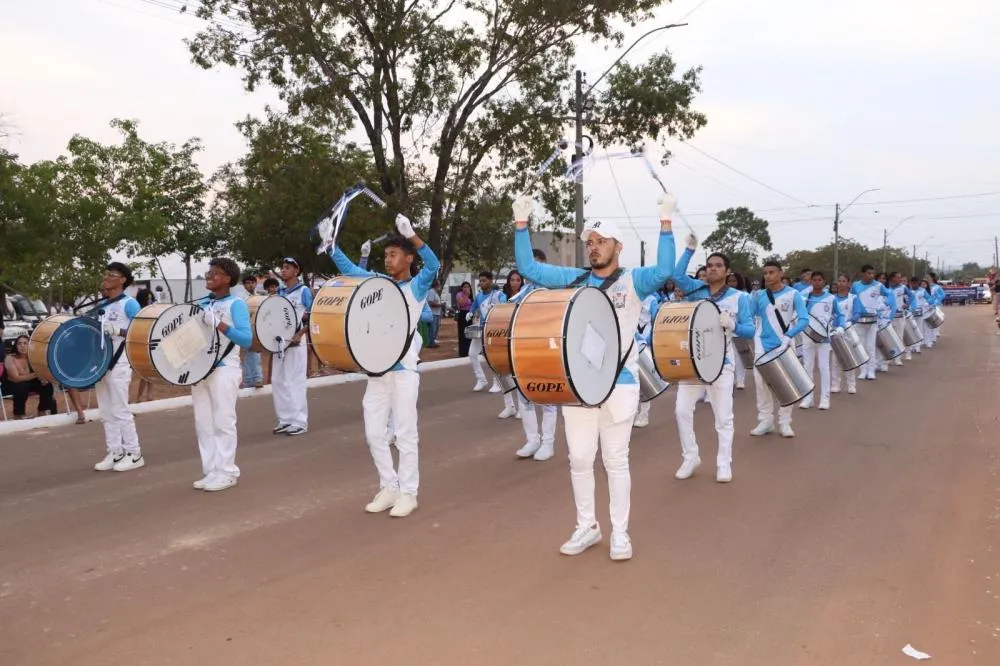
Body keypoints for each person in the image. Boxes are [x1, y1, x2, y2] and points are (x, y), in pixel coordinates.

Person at [513, 193, 676, 562]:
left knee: (615, 460)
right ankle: (587, 525)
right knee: (580, 459)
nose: (593, 248)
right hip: (580, 386)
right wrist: (521, 226)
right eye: (590, 242)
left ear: (618, 246)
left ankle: (621, 532)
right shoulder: (574, 280)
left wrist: (665, 222)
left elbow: (665, 271)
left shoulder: (635, 281)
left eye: (601, 242)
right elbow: (530, 269)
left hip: (620, 383)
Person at [329, 214, 439, 518]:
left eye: (393, 255)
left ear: (408, 258)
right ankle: (388, 486)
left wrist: (413, 235)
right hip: (377, 372)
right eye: (386, 255)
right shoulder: (380, 285)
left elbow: (434, 266)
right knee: (374, 433)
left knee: (405, 434)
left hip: (404, 371)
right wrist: (331, 245)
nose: (388, 260)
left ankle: (409, 492)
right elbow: (351, 271)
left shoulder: (416, 288)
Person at [670, 234, 755, 482]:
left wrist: (733, 325)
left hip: (722, 364)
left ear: (728, 272)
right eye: (709, 265)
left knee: (723, 417)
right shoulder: (696, 292)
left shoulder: (740, 298)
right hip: (693, 363)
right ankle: (690, 456)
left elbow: (750, 330)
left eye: (718, 265)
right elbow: (676, 275)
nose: (712, 269)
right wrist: (689, 250)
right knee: (681, 411)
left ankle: (723, 463)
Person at [191, 257, 253, 492]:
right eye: (209, 273)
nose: (209, 276)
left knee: (223, 421)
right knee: (203, 423)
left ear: (228, 278)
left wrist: (220, 324)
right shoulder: (203, 303)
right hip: (201, 370)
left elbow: (247, 339)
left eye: (215, 273)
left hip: (225, 368)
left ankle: (227, 471)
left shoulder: (235, 304)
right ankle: (211, 470)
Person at [92, 263, 145, 472]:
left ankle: (134, 453)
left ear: (122, 280)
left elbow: (142, 330)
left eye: (111, 275)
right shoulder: (104, 304)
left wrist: (119, 330)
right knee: (106, 410)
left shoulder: (129, 304)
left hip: (120, 362)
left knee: (120, 409)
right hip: (102, 362)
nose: (106, 278)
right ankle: (115, 451)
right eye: (105, 274)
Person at [749, 260, 809, 438]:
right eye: (765, 273)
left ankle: (785, 422)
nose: (767, 276)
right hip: (761, 344)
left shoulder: (793, 294)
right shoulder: (758, 295)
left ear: (781, 273)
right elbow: (749, 316)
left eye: (771, 272)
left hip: (784, 343)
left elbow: (804, 319)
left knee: (785, 383)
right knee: (761, 383)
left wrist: (789, 336)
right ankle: (765, 421)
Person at [508, 255, 559, 461]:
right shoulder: (520, 295)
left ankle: (548, 443)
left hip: (547, 349)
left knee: (548, 397)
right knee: (524, 396)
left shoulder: (554, 291)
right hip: (524, 349)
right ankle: (532, 440)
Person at [271, 258, 313, 436]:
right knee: (278, 380)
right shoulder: (280, 293)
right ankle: (285, 419)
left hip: (296, 342)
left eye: (287, 268)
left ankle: (300, 421)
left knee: (295, 381)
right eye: (282, 267)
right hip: (281, 343)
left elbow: (313, 316)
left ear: (296, 271)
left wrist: (300, 334)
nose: (283, 270)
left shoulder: (304, 291)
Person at [799, 271, 844, 411]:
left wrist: (841, 326)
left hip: (824, 337)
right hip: (807, 336)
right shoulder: (804, 298)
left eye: (820, 280)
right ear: (811, 281)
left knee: (824, 367)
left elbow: (840, 314)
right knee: (807, 367)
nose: (817, 282)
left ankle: (825, 398)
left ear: (824, 282)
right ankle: (808, 398)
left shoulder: (831, 298)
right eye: (814, 280)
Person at [850, 264, 897, 380]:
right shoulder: (856, 285)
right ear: (862, 274)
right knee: (861, 346)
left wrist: (886, 304)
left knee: (871, 345)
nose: (871, 276)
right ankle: (863, 370)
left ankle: (871, 370)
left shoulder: (878, 285)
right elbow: (851, 298)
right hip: (859, 320)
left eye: (872, 273)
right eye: (868, 273)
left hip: (873, 320)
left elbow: (890, 294)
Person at [466, 271, 507, 392]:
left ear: (490, 280)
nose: (482, 283)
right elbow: (473, 307)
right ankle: (481, 379)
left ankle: (497, 382)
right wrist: (470, 313)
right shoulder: (479, 296)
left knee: (492, 357)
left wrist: (496, 306)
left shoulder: (499, 294)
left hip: (494, 329)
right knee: (472, 354)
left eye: (484, 280)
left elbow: (504, 308)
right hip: (481, 328)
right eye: (480, 281)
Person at [2, 335, 57, 418]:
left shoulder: (32, 357)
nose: (22, 346)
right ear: (16, 346)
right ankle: (19, 414)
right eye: (19, 344)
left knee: (47, 386)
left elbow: (42, 371)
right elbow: (15, 378)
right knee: (21, 386)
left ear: (30, 345)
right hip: (10, 385)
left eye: (25, 343)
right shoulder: (10, 358)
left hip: (27, 383)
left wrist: (42, 378)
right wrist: (36, 374)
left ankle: (42, 410)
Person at [496, 270, 525, 419]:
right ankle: (509, 406)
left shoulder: (525, 296)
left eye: (518, 280)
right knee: (501, 372)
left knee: (517, 374)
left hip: (518, 337)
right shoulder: (502, 296)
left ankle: (522, 407)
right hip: (503, 336)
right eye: (512, 280)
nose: (514, 283)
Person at [832, 274, 863, 394]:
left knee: (849, 357)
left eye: (843, 281)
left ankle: (851, 384)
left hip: (848, 330)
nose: (841, 283)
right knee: (835, 359)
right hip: (835, 331)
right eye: (839, 281)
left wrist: (848, 322)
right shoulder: (832, 298)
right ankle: (835, 384)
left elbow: (857, 313)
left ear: (848, 283)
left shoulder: (853, 298)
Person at [240, 275, 265, 390]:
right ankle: (248, 380)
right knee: (246, 354)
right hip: (245, 329)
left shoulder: (259, 297)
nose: (250, 285)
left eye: (252, 282)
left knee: (255, 354)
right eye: (248, 283)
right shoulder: (241, 298)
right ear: (244, 285)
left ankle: (257, 379)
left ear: (256, 283)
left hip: (257, 329)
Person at [132, 288, 156, 403]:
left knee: (151, 371)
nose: (150, 301)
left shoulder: (153, 310)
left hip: (151, 342)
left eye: (151, 299)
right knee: (141, 373)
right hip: (140, 343)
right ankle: (138, 397)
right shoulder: (138, 311)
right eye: (148, 299)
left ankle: (148, 395)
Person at [889, 271, 915, 363]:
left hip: (900, 315)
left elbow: (912, 296)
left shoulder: (903, 288)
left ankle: (897, 358)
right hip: (888, 317)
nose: (900, 279)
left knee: (899, 336)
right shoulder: (886, 288)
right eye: (898, 277)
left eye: (900, 277)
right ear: (892, 278)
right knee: (889, 337)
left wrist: (907, 304)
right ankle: (888, 357)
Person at [926, 272, 946, 346]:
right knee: (928, 321)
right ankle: (928, 337)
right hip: (928, 306)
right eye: (926, 277)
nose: (927, 279)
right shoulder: (925, 287)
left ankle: (934, 336)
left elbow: (943, 295)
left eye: (928, 277)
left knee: (935, 320)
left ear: (932, 278)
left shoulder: (937, 287)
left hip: (936, 305)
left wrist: (937, 301)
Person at [455, 282, 474, 357]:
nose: (466, 288)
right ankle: (463, 352)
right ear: (462, 288)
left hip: (469, 314)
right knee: (463, 333)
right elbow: (462, 303)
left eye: (468, 287)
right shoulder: (459, 294)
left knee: (469, 333)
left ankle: (469, 350)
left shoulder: (471, 295)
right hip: (462, 314)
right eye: (465, 287)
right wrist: (466, 295)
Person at [426, 280, 443, 348]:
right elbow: (430, 303)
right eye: (439, 285)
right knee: (432, 328)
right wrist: (440, 305)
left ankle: (432, 341)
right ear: (436, 285)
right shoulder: (431, 292)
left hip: (437, 313)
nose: (440, 286)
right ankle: (431, 343)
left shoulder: (435, 292)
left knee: (435, 328)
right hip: (432, 313)